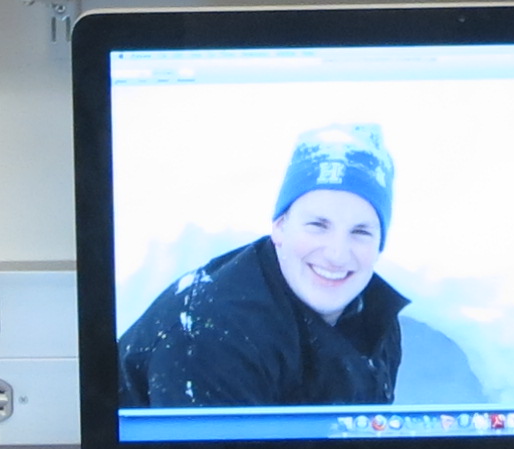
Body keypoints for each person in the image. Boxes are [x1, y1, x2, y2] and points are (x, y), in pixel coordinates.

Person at [119, 127, 407, 407]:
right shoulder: (210, 337)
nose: (337, 254)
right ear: (280, 227)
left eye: (361, 232)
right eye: (318, 225)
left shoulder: (374, 316)